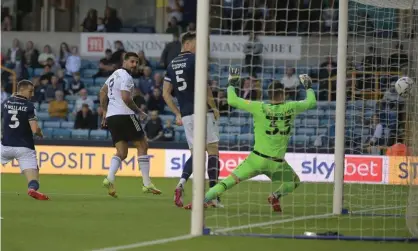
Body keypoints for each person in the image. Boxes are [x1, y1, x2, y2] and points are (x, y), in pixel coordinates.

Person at [184, 71, 317, 211]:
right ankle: (275, 196)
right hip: (277, 163)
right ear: (283, 94)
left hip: (256, 159)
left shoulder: (259, 107)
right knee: (294, 182)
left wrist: (231, 84)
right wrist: (308, 87)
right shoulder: (292, 107)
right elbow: (311, 102)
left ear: (268, 94)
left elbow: (232, 100)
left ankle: (200, 202)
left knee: (228, 182)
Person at [163, 32, 221, 208]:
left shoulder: (171, 65)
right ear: (187, 44)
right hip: (203, 111)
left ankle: (181, 183)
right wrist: (214, 107)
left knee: (196, 154)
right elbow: (205, 87)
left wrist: (177, 113)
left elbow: (165, 93)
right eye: (196, 44)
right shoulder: (196, 60)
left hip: (187, 114)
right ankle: (213, 195)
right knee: (212, 150)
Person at [100, 52, 161, 198]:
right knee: (143, 145)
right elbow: (126, 98)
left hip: (112, 117)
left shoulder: (115, 74)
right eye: (132, 61)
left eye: (136, 62)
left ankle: (109, 178)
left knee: (122, 153)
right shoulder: (126, 77)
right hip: (126, 115)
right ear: (124, 61)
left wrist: (105, 112)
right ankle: (146, 184)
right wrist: (139, 111)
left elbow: (102, 92)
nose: (134, 65)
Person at [1, 80, 48, 200]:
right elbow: (34, 129)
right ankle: (32, 189)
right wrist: (40, 133)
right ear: (21, 90)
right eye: (30, 91)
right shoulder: (29, 106)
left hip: (5, 146)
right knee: (33, 177)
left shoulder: (5, 102)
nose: (32, 94)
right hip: (24, 147)